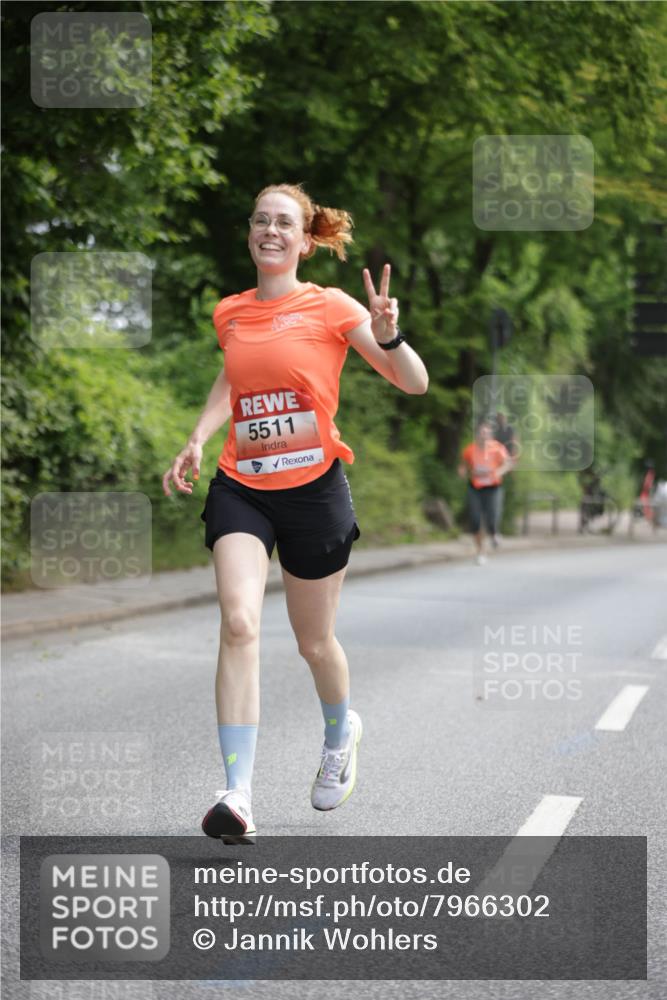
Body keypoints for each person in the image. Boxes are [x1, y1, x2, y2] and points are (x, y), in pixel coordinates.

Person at [162, 183, 429, 843]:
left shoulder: (332, 306)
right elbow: (234, 376)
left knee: (314, 643)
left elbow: (413, 382)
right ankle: (237, 793)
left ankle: (341, 731)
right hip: (241, 486)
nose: (270, 231)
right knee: (239, 622)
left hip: (313, 491)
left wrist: (391, 338)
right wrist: (198, 435)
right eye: (261, 220)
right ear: (250, 233)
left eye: (284, 223)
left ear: (305, 240)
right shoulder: (231, 312)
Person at [458, 417, 512, 564]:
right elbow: (463, 465)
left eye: (486, 433)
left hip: (493, 488)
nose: (484, 435)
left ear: (490, 435)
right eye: (481, 433)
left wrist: (498, 472)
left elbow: (508, 464)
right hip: (475, 487)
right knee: (475, 520)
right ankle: (481, 552)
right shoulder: (470, 450)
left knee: (492, 518)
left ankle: (494, 533)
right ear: (477, 434)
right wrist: (462, 472)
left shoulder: (497, 448)